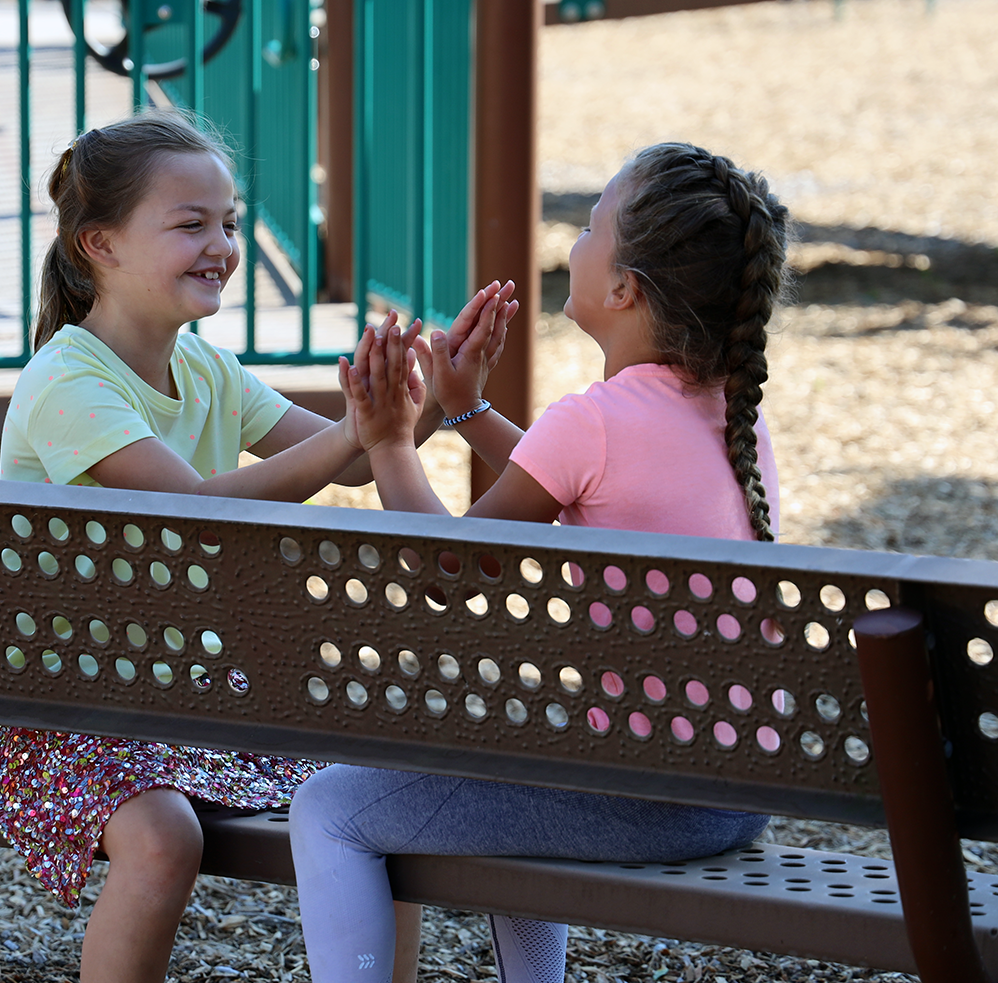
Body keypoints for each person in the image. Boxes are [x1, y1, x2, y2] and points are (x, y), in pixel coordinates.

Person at [0, 110, 515, 983]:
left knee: (378, 793)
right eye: (190, 224)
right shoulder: (69, 381)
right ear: (98, 244)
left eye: (228, 221)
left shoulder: (207, 369)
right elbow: (198, 510)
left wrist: (407, 402)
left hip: (190, 696)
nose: (221, 243)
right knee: (161, 838)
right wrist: (359, 434)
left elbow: (355, 459)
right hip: (63, 709)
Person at [291, 142, 791, 983]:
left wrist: (388, 445)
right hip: (739, 790)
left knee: (329, 808)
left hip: (645, 803)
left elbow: (446, 575)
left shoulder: (591, 421)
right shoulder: (732, 412)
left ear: (625, 288)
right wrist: (470, 409)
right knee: (517, 739)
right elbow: (580, 487)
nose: (575, 239)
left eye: (592, 225)